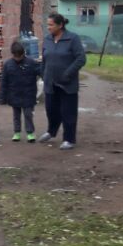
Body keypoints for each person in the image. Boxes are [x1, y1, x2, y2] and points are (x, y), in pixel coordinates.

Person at [37, 13, 87, 150]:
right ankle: (51, 132)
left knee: (68, 112)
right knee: (51, 110)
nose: (48, 27)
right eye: (48, 24)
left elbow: (81, 59)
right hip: (50, 82)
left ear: (60, 25)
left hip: (67, 83)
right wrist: (42, 73)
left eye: (51, 25)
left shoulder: (72, 39)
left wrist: (68, 73)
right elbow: (44, 58)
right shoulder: (47, 39)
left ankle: (69, 139)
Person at [0, 41, 41, 143]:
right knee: (16, 115)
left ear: (23, 53)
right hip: (14, 94)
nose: (18, 58)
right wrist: (2, 97)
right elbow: (3, 82)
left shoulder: (31, 63)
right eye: (16, 56)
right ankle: (17, 132)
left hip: (29, 94)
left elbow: (41, 71)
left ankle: (30, 133)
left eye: (20, 56)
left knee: (28, 114)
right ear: (13, 54)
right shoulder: (8, 65)